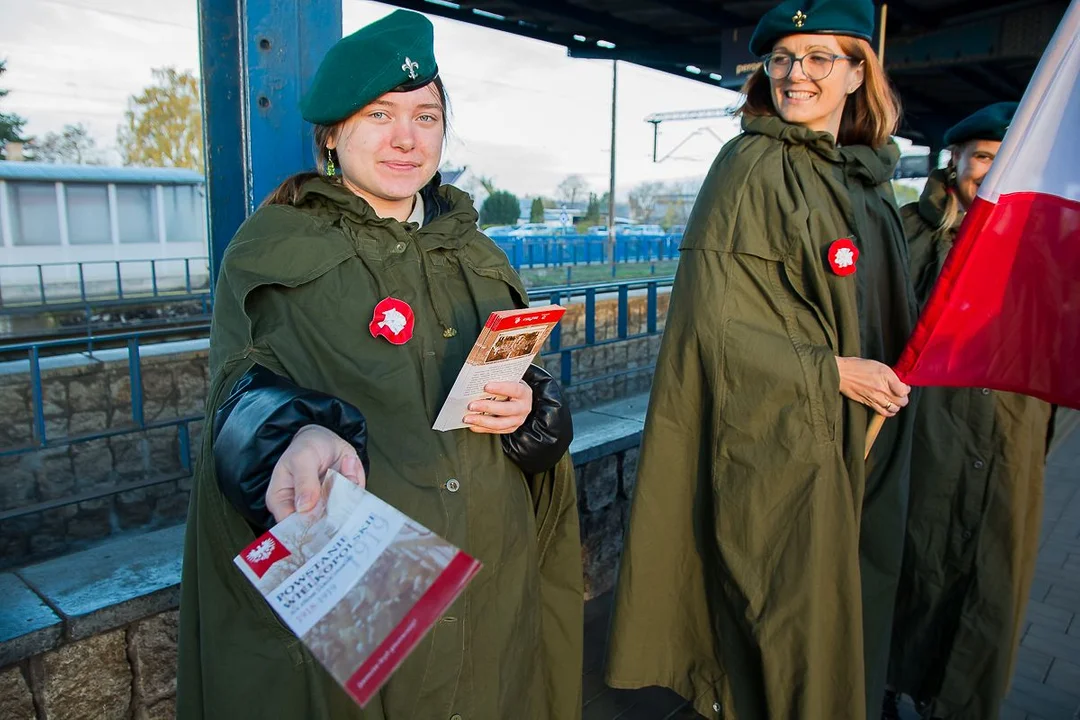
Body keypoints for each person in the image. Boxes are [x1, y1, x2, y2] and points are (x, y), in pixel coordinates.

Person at [176, 10, 582, 719]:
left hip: (495, 577)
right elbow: (237, 397)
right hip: (365, 597)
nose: (406, 137)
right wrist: (290, 435)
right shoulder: (273, 248)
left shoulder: (478, 253)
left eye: (426, 116)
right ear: (333, 134)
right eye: (379, 114)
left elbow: (513, 382)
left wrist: (535, 408)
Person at [604, 0, 918, 717]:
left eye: (817, 58)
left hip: (866, 439)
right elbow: (715, 324)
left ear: (856, 71)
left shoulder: (868, 183)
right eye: (781, 58)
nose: (794, 74)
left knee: (851, 619)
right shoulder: (752, 165)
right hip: (788, 446)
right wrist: (831, 371)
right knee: (790, 635)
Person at [884, 102, 1053, 720]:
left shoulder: (1051, 249)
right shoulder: (907, 231)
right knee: (905, 563)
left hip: (1009, 442)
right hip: (922, 436)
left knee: (986, 582)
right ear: (954, 160)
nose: (995, 169)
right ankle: (881, 685)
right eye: (984, 156)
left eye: (1009, 158)